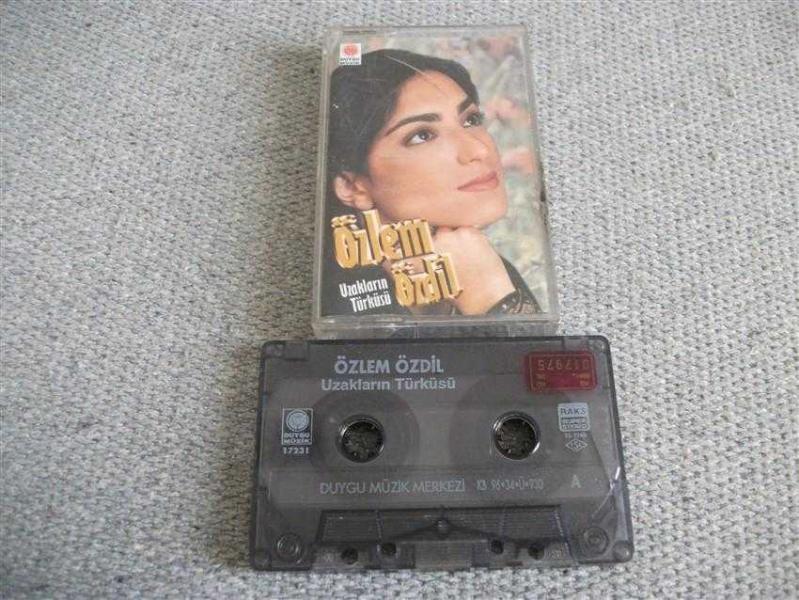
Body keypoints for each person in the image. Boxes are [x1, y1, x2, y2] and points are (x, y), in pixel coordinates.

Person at [323, 48, 540, 316]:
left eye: (471, 120)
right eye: (422, 135)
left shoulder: (478, 265)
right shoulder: (341, 304)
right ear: (351, 187)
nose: (479, 150)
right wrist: (490, 301)